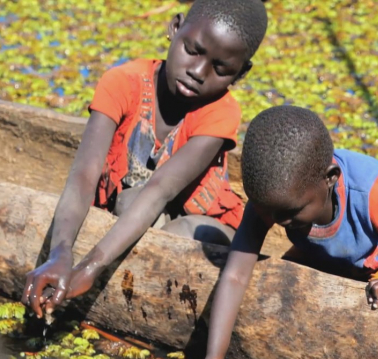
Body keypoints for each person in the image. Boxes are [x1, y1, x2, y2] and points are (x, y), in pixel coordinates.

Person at [20, 0, 269, 319]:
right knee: (125, 205)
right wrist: (60, 253)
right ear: (175, 28)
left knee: (147, 214)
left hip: (198, 231)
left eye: (220, 69)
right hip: (137, 214)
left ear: (241, 72)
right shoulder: (123, 82)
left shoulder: (220, 113)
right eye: (192, 50)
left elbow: (160, 190)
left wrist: (91, 266)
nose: (197, 72)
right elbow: (84, 174)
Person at [195, 105, 378, 359]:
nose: (277, 221)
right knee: (282, 280)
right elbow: (235, 275)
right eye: (270, 212)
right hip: (343, 250)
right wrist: (215, 356)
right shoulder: (273, 200)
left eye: (290, 213)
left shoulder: (369, 189)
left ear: (330, 178)